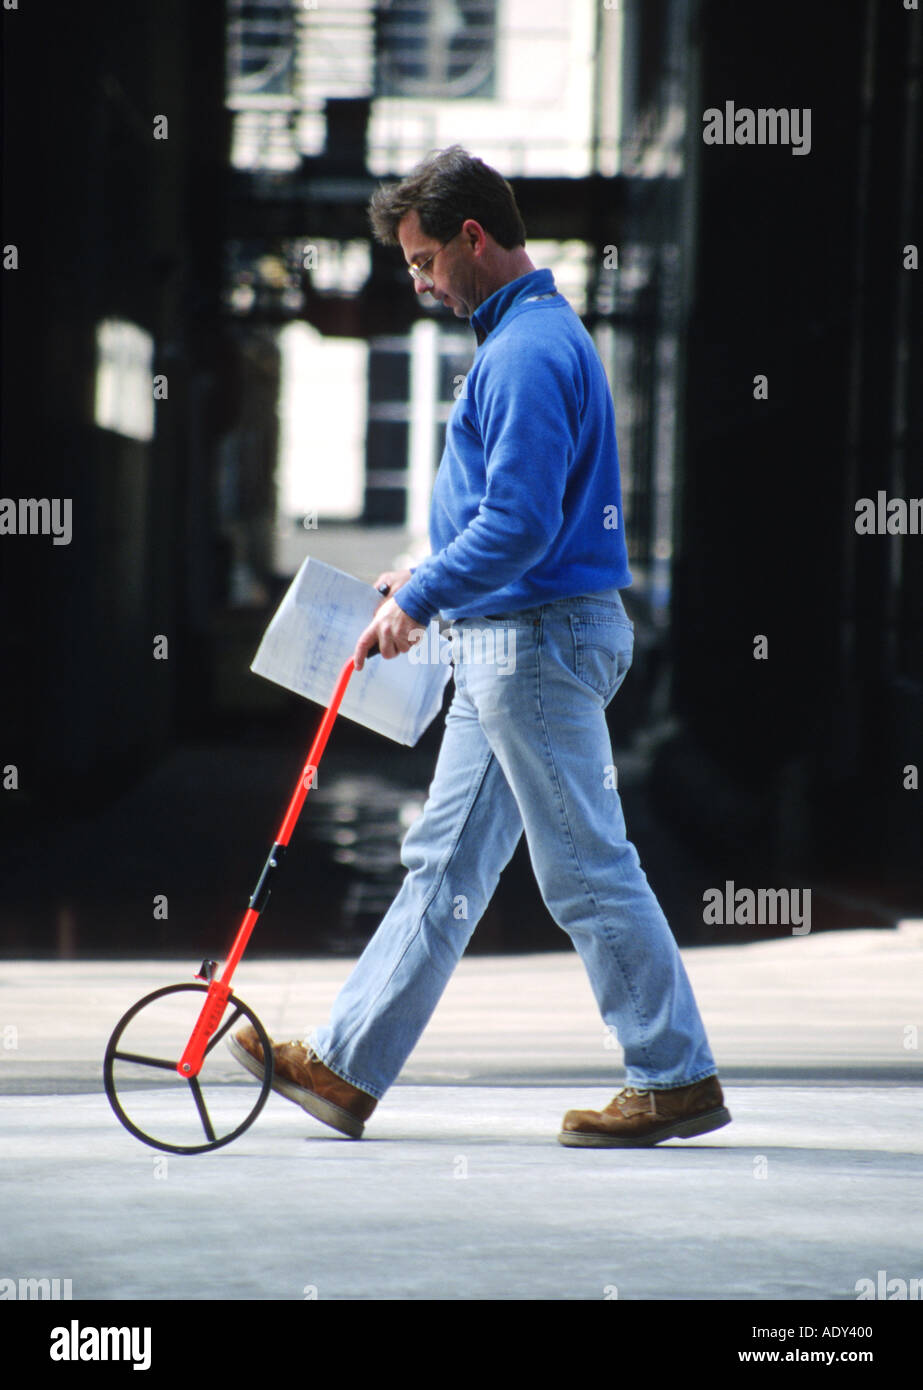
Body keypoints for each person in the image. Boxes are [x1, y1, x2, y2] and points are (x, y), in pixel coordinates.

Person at [230, 146, 730, 1148]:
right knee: (442, 867)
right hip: (508, 642)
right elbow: (493, 520)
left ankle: (672, 1074)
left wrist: (421, 592)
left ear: (471, 238)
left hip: (532, 646)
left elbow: (521, 525)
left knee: (583, 864)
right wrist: (415, 571)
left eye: (420, 262)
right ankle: (342, 1065)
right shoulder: (521, 340)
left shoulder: (530, 351)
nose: (413, 282)